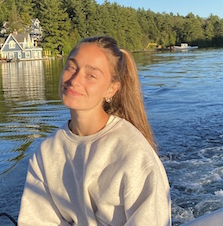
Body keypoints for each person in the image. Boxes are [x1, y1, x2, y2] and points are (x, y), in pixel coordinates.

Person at [18, 36, 171, 226]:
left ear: (111, 89)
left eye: (91, 75)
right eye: (71, 67)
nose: (74, 80)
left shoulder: (134, 154)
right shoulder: (46, 152)